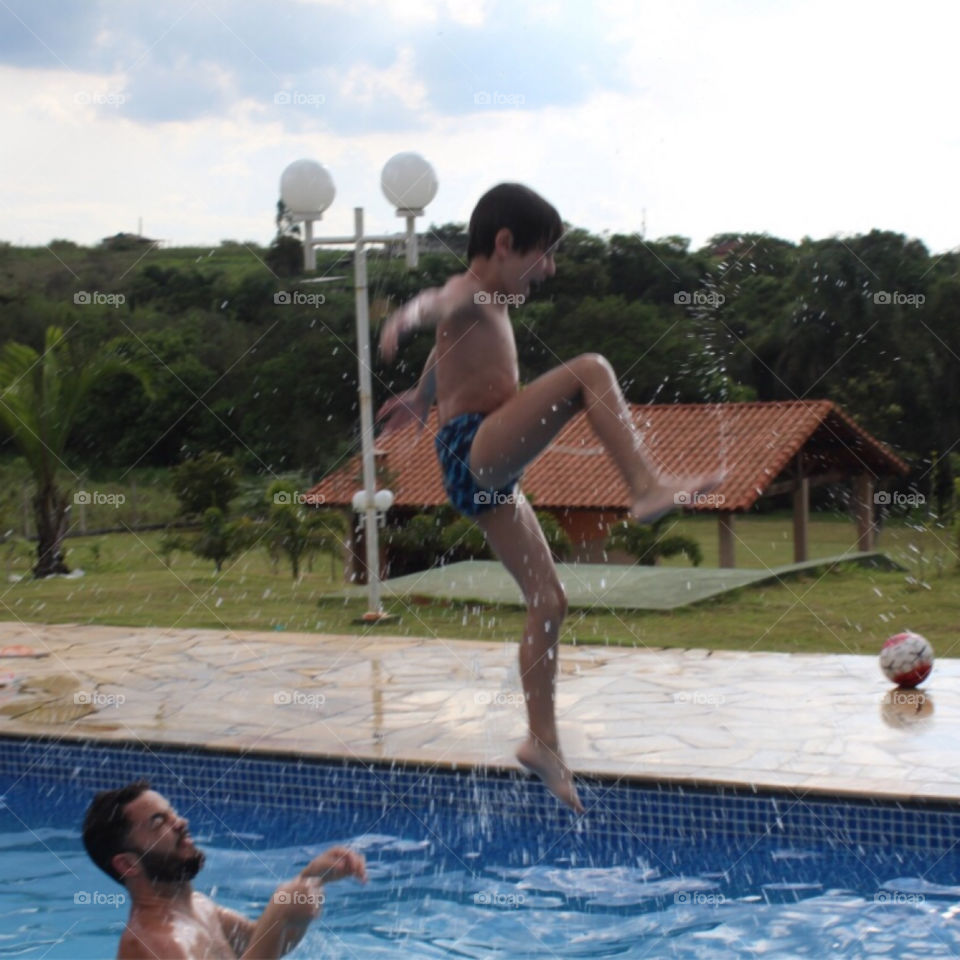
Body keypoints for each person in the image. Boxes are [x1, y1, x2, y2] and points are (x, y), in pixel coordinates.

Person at [378, 183, 720, 814]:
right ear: (505, 244)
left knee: (549, 599)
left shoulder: (491, 304)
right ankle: (644, 488)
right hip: (471, 446)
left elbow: (441, 349)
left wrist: (419, 396)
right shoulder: (472, 292)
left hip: (483, 471)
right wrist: (406, 314)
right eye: (545, 253)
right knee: (591, 369)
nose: (552, 269)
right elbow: (438, 303)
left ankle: (543, 743)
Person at [82, 780, 367, 959]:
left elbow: (266, 944)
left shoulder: (197, 907)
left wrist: (309, 882)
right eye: (159, 822)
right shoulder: (158, 943)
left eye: (173, 813)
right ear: (127, 864)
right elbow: (270, 934)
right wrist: (279, 915)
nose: (180, 822)